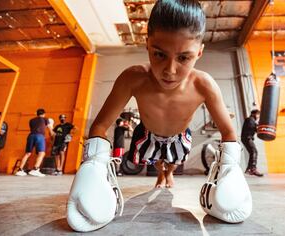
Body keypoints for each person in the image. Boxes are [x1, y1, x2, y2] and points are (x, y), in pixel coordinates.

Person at [67, 0, 252, 232]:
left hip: (179, 135)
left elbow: (228, 132)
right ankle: (160, 176)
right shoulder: (132, 78)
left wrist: (229, 167)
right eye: (159, 54)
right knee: (154, 159)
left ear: (200, 52)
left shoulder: (204, 84)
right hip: (147, 132)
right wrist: (94, 164)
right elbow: (100, 126)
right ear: (147, 44)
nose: (170, 70)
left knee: (173, 161)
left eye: (184, 58)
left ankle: (168, 175)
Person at [15, 108, 54, 177]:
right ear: (44, 114)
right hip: (39, 136)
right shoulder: (45, 119)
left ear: (37, 114)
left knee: (27, 153)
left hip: (31, 136)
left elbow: (34, 128)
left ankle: (20, 170)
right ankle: (35, 169)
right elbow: (50, 130)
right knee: (42, 153)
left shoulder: (31, 120)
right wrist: (52, 135)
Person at [241, 109, 264, 177]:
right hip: (247, 138)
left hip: (247, 138)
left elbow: (256, 130)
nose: (258, 116)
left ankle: (249, 169)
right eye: (258, 115)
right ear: (254, 114)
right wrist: (258, 125)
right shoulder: (250, 119)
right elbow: (253, 127)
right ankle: (252, 169)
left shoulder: (251, 121)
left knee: (253, 152)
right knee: (254, 151)